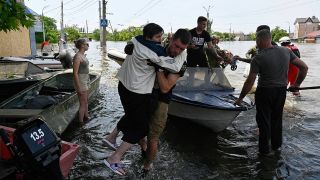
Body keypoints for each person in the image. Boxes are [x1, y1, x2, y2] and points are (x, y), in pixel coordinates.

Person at [104, 24, 187, 176]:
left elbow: (165, 87)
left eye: (182, 49)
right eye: (176, 46)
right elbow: (136, 45)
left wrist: (159, 68)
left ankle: (147, 166)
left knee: (152, 137)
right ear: (171, 39)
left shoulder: (179, 60)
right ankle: (118, 153)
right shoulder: (157, 48)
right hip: (141, 92)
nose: (177, 51)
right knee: (139, 125)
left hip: (160, 99)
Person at [234, 29, 308, 156]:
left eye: (257, 41)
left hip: (264, 92)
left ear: (261, 40)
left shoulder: (259, 57)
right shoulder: (286, 51)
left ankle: (264, 153)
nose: (256, 44)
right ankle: (277, 148)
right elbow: (304, 67)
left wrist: (240, 99)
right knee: (276, 120)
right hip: (281, 92)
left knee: (264, 122)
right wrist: (296, 85)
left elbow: (249, 81)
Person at [72, 38, 90, 123]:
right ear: (82, 45)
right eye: (87, 44)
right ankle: (81, 122)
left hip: (86, 79)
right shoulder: (78, 56)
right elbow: (75, 73)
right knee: (82, 103)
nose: (88, 45)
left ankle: (86, 117)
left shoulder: (83, 55)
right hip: (81, 81)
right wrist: (78, 88)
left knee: (86, 101)